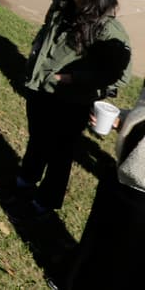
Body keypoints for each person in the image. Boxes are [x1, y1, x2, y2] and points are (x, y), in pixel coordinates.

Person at [16, 0, 132, 218]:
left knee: (60, 153)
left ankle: (45, 202)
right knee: (37, 137)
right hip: (40, 90)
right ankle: (26, 178)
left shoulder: (108, 30)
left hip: (71, 102)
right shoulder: (61, 6)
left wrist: (71, 78)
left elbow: (120, 76)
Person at [61, 85, 145, 289]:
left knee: (126, 255)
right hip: (123, 174)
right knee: (101, 237)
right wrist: (121, 120)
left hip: (141, 191)